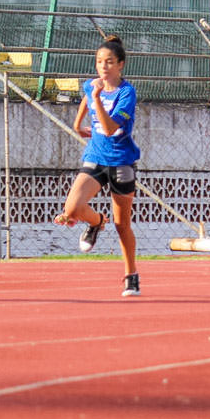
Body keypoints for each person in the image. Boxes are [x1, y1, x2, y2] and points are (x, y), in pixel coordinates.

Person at [54, 35, 142, 297]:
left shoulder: (127, 93)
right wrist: (77, 123)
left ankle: (131, 274)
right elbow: (87, 99)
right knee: (71, 209)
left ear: (120, 65)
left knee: (122, 225)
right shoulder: (91, 86)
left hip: (121, 161)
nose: (103, 67)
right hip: (95, 156)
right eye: (99, 62)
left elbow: (108, 127)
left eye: (110, 62)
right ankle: (95, 222)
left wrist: (96, 95)